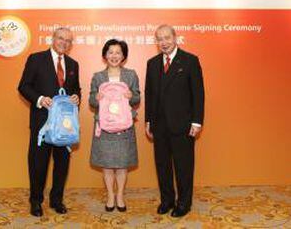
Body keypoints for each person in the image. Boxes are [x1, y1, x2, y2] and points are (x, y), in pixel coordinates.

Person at [18, 27, 81, 217]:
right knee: (38, 164)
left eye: (68, 40)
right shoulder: (36, 59)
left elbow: (76, 89)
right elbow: (23, 86)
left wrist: (76, 97)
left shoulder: (73, 64)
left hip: (64, 126)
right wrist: (39, 99)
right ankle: (36, 201)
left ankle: (57, 200)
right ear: (53, 39)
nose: (64, 42)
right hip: (42, 125)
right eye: (61, 38)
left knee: (62, 165)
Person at [145, 24, 205, 217]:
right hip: (159, 125)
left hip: (183, 125)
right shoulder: (152, 63)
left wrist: (197, 121)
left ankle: (184, 203)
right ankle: (167, 201)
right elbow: (149, 94)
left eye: (167, 38)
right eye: (159, 39)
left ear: (175, 38)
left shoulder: (189, 61)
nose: (164, 42)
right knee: (162, 165)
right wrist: (148, 121)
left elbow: (198, 94)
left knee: (183, 166)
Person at [89, 39, 140, 212]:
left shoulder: (131, 75)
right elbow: (91, 101)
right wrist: (95, 99)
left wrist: (130, 95)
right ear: (105, 55)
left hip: (124, 125)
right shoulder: (98, 76)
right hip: (104, 126)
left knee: (122, 164)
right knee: (107, 164)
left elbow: (137, 99)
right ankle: (111, 195)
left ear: (123, 56)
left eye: (118, 52)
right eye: (110, 52)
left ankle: (120, 196)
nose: (114, 56)